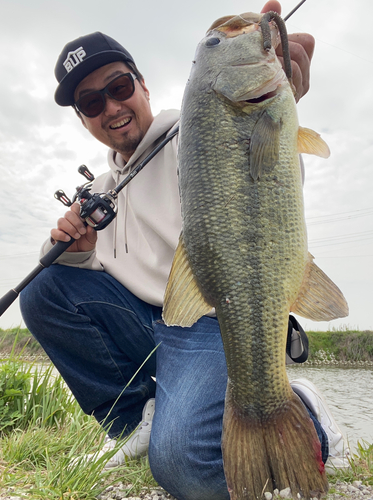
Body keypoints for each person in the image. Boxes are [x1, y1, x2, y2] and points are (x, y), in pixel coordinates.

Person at [20, 2, 349, 499]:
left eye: (119, 87)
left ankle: (306, 415)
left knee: (184, 469)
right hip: (150, 329)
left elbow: (264, 178)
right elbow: (86, 288)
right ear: (82, 118)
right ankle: (137, 419)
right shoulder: (103, 192)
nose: (110, 107)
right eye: (91, 102)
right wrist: (77, 251)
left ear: (144, 85)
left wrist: (280, 107)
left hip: (216, 321)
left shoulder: (190, 133)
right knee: (42, 289)